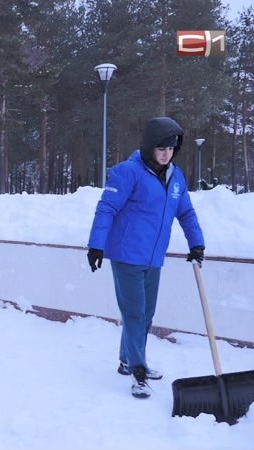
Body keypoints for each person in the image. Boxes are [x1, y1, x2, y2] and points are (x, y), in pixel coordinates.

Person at [86, 116, 205, 399]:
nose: (166, 154)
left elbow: (185, 212)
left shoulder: (175, 176)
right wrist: (96, 246)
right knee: (134, 314)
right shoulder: (128, 172)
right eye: (161, 149)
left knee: (146, 314)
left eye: (171, 149)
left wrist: (197, 243)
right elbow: (106, 208)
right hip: (127, 255)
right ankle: (139, 372)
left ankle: (127, 360)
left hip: (153, 257)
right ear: (149, 147)